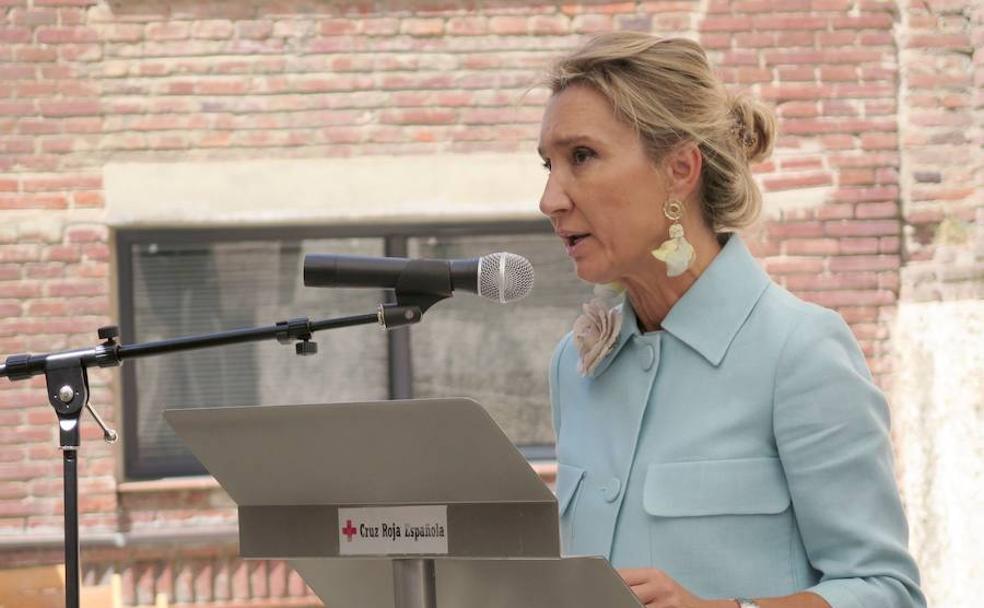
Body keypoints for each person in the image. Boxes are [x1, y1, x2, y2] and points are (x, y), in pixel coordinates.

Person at [538, 33, 925, 608]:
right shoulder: (574, 364)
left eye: (582, 157)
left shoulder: (800, 351)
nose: (550, 199)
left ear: (680, 169)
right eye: (548, 165)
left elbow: (887, 593)